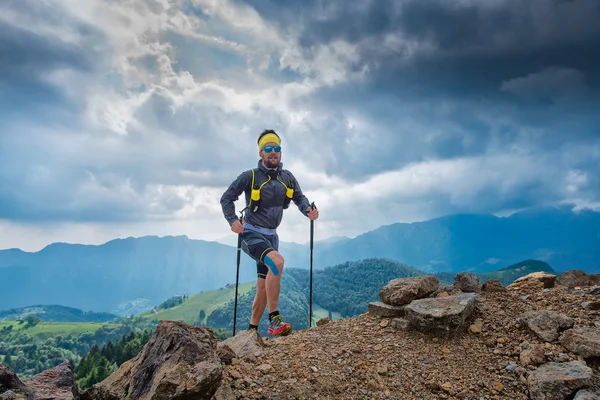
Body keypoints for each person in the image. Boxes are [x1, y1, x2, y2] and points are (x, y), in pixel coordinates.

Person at [220, 129, 319, 336]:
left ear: (281, 153)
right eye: (268, 148)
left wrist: (308, 210)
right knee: (277, 262)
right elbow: (226, 198)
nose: (273, 152)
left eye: (277, 148)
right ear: (261, 153)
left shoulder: (287, 177)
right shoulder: (250, 176)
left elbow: (299, 198)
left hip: (272, 236)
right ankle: (275, 319)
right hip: (251, 234)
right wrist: (232, 221)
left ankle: (251, 331)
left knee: (263, 287)